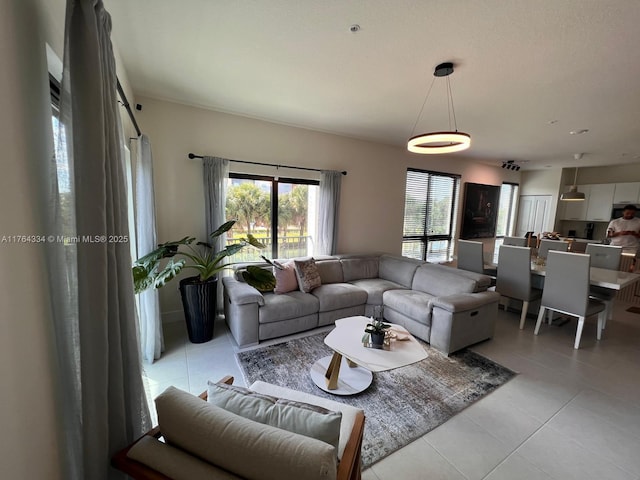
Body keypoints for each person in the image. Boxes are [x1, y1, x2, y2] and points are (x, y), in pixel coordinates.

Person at [607, 204, 640, 271]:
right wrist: (620, 233)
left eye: (632, 213)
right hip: (615, 248)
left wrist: (635, 234)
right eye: (627, 213)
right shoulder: (615, 222)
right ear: (623, 212)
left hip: (631, 249)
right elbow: (608, 235)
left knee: (628, 268)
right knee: (612, 267)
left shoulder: (639, 222)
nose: (630, 215)